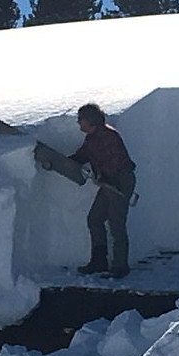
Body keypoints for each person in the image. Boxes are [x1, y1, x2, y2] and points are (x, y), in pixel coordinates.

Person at [69, 103, 136, 278]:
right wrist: (67, 163)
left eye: (80, 120)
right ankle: (99, 261)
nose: (79, 124)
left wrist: (104, 178)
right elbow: (82, 155)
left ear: (89, 120)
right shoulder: (91, 139)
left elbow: (115, 162)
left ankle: (120, 266)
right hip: (108, 182)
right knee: (95, 219)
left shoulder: (109, 136)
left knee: (116, 224)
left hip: (120, 181)